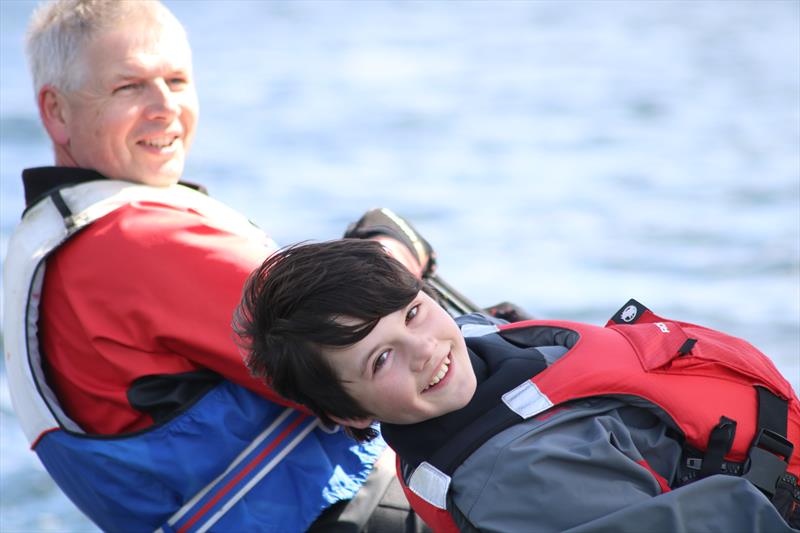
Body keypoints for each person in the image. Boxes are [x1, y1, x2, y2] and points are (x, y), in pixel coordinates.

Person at [3, 1, 432, 531]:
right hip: (343, 514)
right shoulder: (134, 241)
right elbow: (353, 337)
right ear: (56, 112)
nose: (164, 107)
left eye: (177, 80)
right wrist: (392, 247)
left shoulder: (57, 244)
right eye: (128, 87)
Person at [235, 239, 800, 532]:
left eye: (412, 313)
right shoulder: (521, 477)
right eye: (382, 359)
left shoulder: (480, 346)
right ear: (353, 414)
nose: (427, 349)